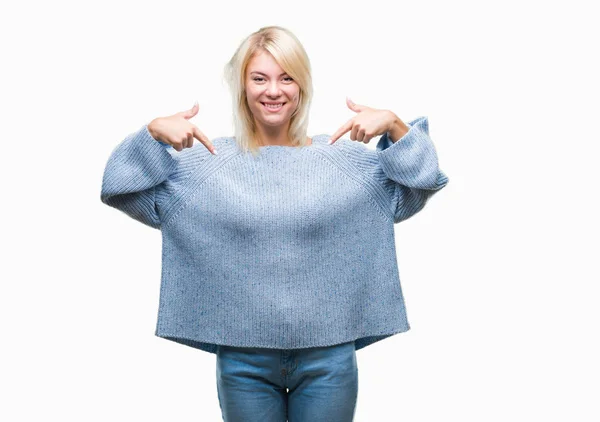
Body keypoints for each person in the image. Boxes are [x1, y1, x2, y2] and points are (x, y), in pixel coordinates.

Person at [100, 25, 449, 422]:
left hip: (329, 356)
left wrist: (395, 126)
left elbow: (422, 183)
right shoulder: (205, 166)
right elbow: (119, 189)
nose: (273, 90)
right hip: (243, 360)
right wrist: (151, 136)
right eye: (259, 78)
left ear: (302, 87)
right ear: (242, 87)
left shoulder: (345, 162)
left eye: (287, 78)